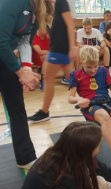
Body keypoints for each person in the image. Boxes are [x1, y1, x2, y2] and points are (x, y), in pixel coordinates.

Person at [19, 122, 111, 189]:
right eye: (99, 145)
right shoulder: (65, 178)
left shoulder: (65, 151)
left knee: (100, 182)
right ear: (87, 149)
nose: (100, 147)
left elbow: (101, 168)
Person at [0, 0, 54, 169]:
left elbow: (24, 41)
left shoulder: (39, 8)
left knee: (17, 108)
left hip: (7, 57)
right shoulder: (14, 2)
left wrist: (26, 70)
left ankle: (25, 157)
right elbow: (1, 41)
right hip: (4, 50)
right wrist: (20, 72)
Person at [28, 0, 78, 123]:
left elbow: (70, 25)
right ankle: (95, 98)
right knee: (74, 81)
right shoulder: (50, 8)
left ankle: (44, 112)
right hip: (57, 49)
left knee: (49, 78)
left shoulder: (61, 2)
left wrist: (72, 47)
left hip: (60, 49)